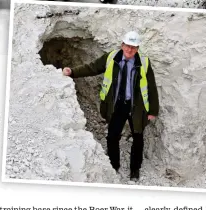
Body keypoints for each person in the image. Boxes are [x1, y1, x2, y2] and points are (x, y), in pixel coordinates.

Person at [62, 31, 159, 181]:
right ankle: (113, 164)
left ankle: (135, 169)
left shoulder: (144, 63)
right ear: (122, 45)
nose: (130, 50)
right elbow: (92, 68)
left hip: (137, 107)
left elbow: (151, 87)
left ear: (138, 48)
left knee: (138, 138)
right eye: (127, 46)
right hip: (117, 104)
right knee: (112, 136)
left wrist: (152, 110)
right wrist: (73, 72)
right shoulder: (111, 57)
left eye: (133, 47)